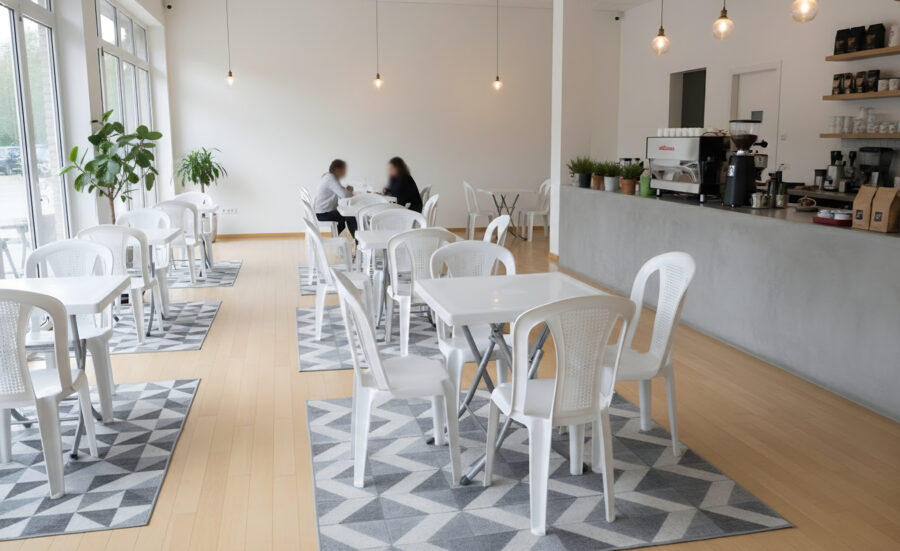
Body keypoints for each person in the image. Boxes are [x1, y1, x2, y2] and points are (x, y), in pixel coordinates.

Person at [314, 159, 357, 237]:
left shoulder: (329, 177)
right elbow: (345, 195)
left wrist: (346, 190)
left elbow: (340, 192)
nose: (345, 172)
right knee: (350, 215)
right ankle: (358, 241)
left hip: (322, 211)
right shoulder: (330, 179)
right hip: (323, 214)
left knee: (344, 218)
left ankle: (335, 238)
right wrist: (349, 191)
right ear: (338, 170)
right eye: (344, 169)